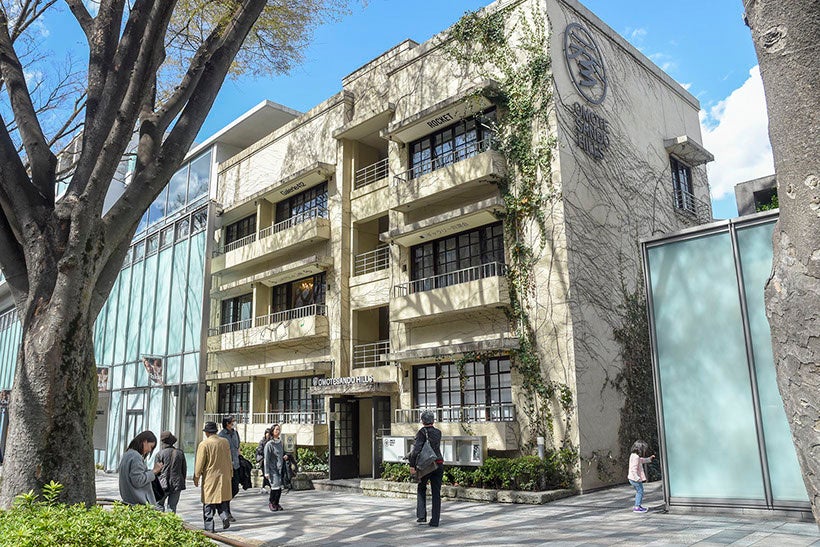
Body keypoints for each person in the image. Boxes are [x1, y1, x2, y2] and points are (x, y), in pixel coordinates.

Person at [194, 421, 233, 532]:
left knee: (209, 503)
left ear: (206, 432)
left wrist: (196, 477)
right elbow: (229, 459)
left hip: (210, 477)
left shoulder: (204, 444)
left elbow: (199, 463)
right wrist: (230, 473)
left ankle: (209, 527)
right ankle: (224, 516)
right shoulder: (224, 442)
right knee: (221, 500)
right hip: (224, 476)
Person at [409, 410, 444, 527]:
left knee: (421, 488)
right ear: (433, 421)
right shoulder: (438, 432)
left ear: (422, 421)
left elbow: (416, 451)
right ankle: (435, 520)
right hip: (438, 463)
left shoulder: (422, 432)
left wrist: (412, 465)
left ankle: (421, 516)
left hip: (426, 465)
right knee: (436, 492)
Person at [118, 430, 163, 506]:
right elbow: (138, 480)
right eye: (151, 446)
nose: (150, 450)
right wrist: (154, 471)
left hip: (129, 500)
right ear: (145, 442)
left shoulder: (127, 454)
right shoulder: (136, 457)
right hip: (138, 502)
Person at [155, 430, 187, 513]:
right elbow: (184, 470)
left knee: (158, 505)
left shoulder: (160, 454)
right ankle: (170, 521)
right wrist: (182, 480)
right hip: (177, 483)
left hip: (162, 483)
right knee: (172, 507)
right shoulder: (180, 453)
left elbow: (156, 471)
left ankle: (160, 521)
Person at [264, 423, 292, 512]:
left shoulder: (280, 442)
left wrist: (285, 456)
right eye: (276, 429)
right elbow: (266, 459)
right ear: (272, 431)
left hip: (281, 468)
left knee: (279, 487)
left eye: (279, 429)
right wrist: (266, 472)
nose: (278, 431)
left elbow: (282, 452)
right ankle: (272, 502)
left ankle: (276, 503)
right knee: (275, 487)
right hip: (273, 469)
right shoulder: (269, 444)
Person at [217, 415, 241, 521]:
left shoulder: (235, 433)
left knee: (235, 488)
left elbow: (238, 447)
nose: (234, 423)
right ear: (227, 423)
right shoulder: (221, 435)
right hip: (226, 467)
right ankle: (226, 511)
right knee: (226, 490)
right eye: (233, 421)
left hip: (235, 465)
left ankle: (223, 505)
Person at [627, 439, 656, 513]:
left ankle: (638, 506)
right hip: (635, 479)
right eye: (643, 449)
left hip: (632, 478)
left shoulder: (633, 455)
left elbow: (642, 460)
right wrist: (637, 478)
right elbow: (633, 469)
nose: (644, 451)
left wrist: (649, 459)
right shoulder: (636, 457)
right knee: (640, 492)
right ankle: (637, 507)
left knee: (639, 491)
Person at [256, 428, 272, 493]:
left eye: (269, 434)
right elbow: (259, 450)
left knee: (267, 474)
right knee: (265, 473)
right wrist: (266, 453)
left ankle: (264, 486)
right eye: (266, 434)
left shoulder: (272, 441)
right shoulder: (262, 441)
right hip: (263, 460)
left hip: (270, 460)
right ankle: (268, 486)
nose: (267, 436)